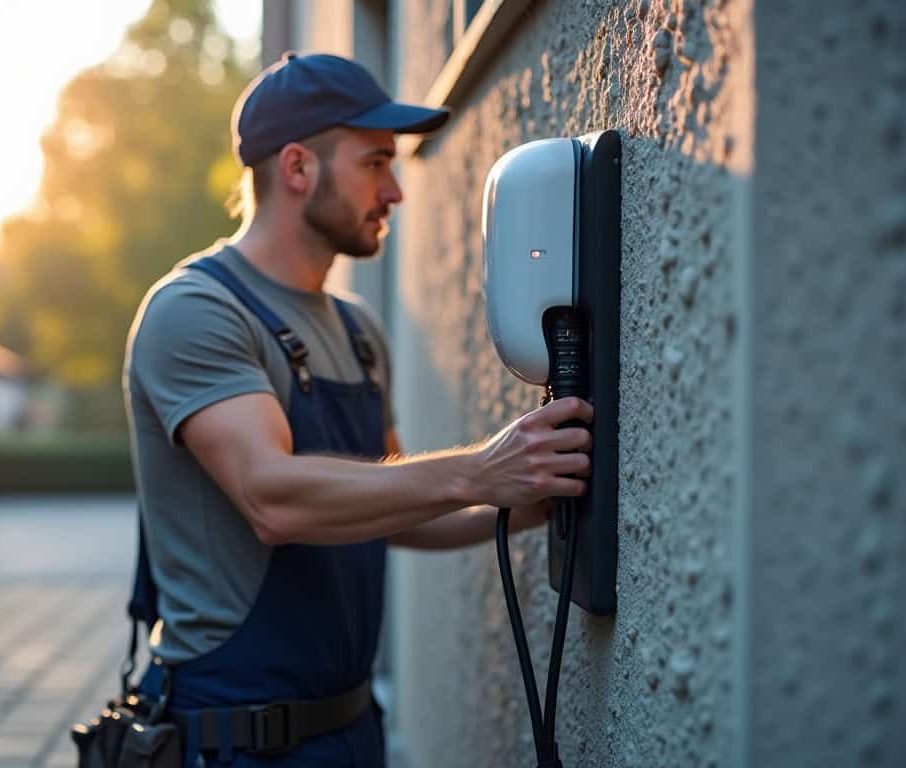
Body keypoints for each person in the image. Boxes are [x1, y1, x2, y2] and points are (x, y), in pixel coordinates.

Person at [122, 53, 593, 767]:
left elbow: (393, 508)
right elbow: (271, 497)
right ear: (297, 168)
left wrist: (528, 496)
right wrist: (476, 471)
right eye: (375, 163)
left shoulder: (359, 332)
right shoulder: (196, 311)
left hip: (351, 730)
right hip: (231, 737)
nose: (396, 191)